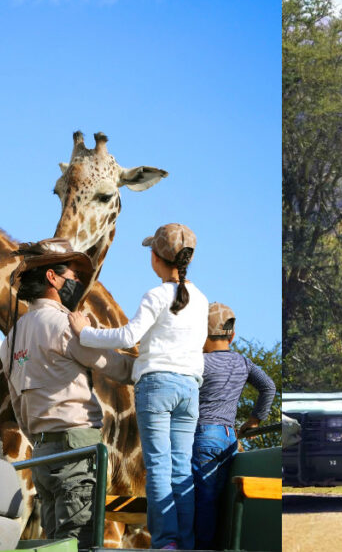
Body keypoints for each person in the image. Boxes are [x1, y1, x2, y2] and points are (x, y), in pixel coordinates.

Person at [68, 223, 208, 550]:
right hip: (190, 389)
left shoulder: (157, 295)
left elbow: (129, 336)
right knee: (181, 470)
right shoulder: (201, 300)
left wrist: (85, 332)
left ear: (156, 258)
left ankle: (166, 543)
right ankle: (185, 543)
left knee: (158, 470)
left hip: (157, 386)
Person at [0, 238, 133, 550]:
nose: (76, 281)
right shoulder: (65, 325)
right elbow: (117, 368)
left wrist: (40, 440)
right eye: (72, 274)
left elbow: (19, 405)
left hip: (43, 454)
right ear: (52, 277)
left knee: (54, 544)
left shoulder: (10, 340)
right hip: (77, 449)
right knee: (79, 542)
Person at [194, 302, 276, 550]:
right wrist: (255, 419)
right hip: (230, 439)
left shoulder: (199, 362)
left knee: (202, 503)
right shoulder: (243, 363)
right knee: (221, 501)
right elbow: (268, 387)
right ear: (232, 335)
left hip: (203, 435)